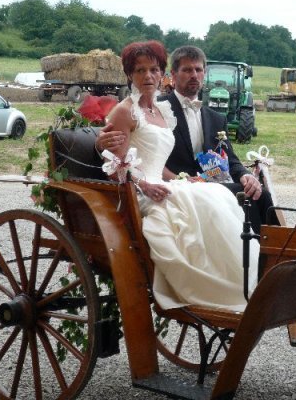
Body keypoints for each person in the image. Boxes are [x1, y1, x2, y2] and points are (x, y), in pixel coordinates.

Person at [103, 40, 259, 311]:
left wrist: (179, 179)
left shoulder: (162, 111)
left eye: (153, 69)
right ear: (130, 75)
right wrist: (145, 184)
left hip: (163, 182)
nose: (148, 76)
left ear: (162, 73)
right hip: (138, 190)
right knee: (202, 202)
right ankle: (212, 289)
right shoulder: (125, 110)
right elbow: (116, 167)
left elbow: (156, 161)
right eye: (140, 71)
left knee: (216, 194)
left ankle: (241, 278)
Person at [98, 45, 277, 234]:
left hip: (197, 184)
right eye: (187, 70)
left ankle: (275, 252)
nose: (194, 75)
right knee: (233, 199)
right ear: (173, 75)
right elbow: (120, 147)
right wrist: (98, 142)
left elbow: (230, 159)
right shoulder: (161, 107)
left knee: (258, 194)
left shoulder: (214, 118)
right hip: (171, 186)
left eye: (198, 70)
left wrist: (246, 175)